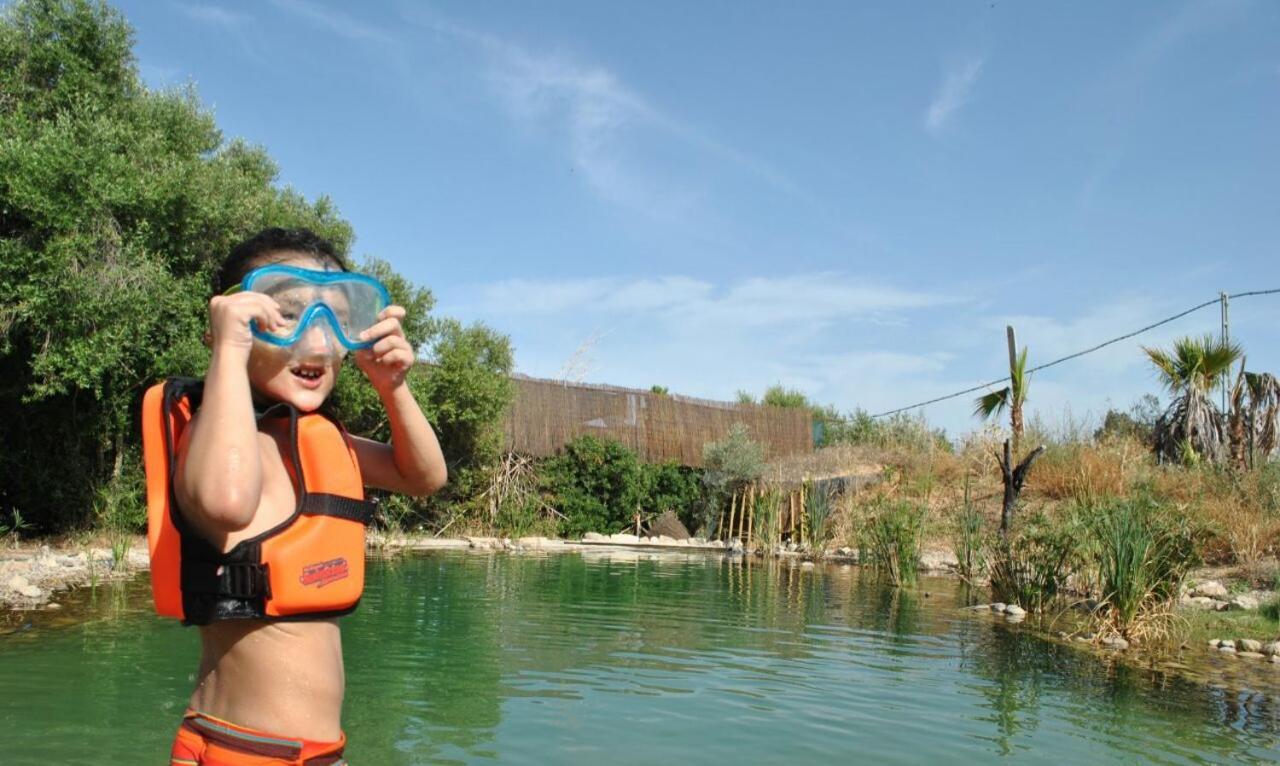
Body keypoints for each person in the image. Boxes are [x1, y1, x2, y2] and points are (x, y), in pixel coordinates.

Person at [142, 228, 447, 765]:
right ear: (232, 323)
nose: (317, 339)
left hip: (321, 753)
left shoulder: (317, 443)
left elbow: (423, 476)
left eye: (335, 319)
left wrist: (393, 387)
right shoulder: (217, 443)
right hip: (243, 749)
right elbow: (225, 502)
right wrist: (230, 353)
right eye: (285, 316)